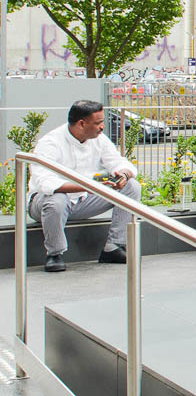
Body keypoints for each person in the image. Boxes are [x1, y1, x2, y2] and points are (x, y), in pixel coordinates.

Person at [27, 100, 141, 273]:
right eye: (98, 123)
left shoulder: (99, 140)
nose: (102, 127)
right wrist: (89, 187)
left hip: (83, 199)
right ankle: (54, 254)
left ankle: (114, 247)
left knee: (132, 186)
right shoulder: (50, 142)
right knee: (56, 199)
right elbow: (45, 183)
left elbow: (118, 162)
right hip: (45, 204)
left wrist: (123, 175)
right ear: (82, 123)